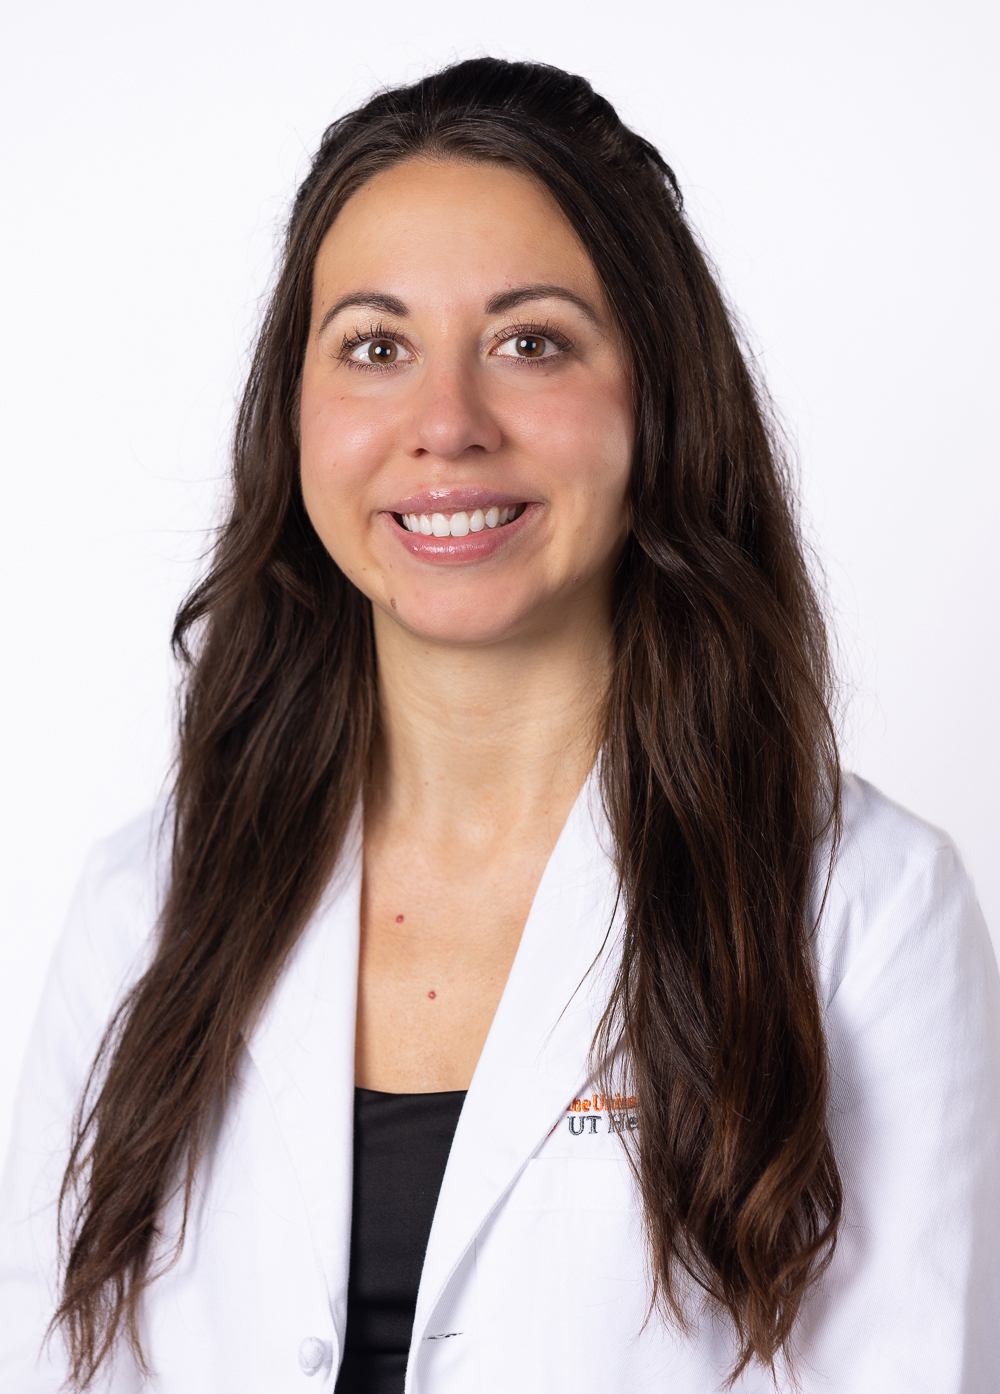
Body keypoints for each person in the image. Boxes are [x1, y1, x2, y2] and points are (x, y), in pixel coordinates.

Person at [1, 56, 997, 1394]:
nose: (447, 424)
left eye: (531, 342)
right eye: (375, 347)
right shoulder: (145, 902)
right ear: (296, 413)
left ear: (658, 399)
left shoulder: (865, 910)